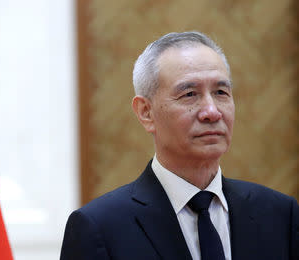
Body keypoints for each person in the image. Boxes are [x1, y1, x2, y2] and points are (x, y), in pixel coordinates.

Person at [60, 31, 299, 260]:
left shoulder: (280, 215)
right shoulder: (100, 227)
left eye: (221, 92)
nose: (212, 112)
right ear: (146, 112)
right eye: (190, 95)